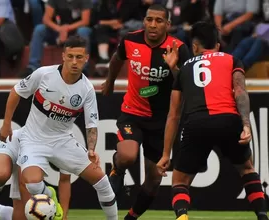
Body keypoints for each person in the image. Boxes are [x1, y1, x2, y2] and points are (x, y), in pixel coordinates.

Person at [156, 21, 269, 220]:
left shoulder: (184, 69)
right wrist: (245, 125)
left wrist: (166, 154)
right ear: (217, 45)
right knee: (247, 169)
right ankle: (262, 215)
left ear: (194, 47)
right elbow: (240, 92)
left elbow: (173, 114)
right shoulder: (232, 60)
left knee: (180, 181)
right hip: (228, 121)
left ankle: (182, 217)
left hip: (196, 124)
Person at [0, 35, 118, 220]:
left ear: (86, 58)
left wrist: (92, 150)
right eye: (70, 56)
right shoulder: (43, 74)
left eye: (79, 57)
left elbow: (91, 125)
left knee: (102, 181)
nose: (74, 62)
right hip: (33, 140)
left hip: (63, 141)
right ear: (63, 56)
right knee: (31, 183)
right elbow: (16, 91)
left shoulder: (86, 89)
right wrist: (6, 123)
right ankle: (50, 196)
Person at [101, 4, 190, 220]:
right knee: (128, 156)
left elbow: (188, 84)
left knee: (154, 178)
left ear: (168, 25)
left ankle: (131, 217)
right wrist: (110, 81)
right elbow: (116, 59)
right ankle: (117, 169)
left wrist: (174, 69)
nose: (153, 25)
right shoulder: (130, 39)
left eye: (159, 21)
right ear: (144, 21)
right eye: (149, 19)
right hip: (133, 112)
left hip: (163, 121)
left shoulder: (179, 48)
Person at [0, 128, 66, 220]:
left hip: (28, 150)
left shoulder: (65, 142)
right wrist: (7, 123)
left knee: (20, 216)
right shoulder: (36, 138)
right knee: (3, 175)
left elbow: (65, 179)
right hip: (13, 145)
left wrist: (64, 216)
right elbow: (23, 183)